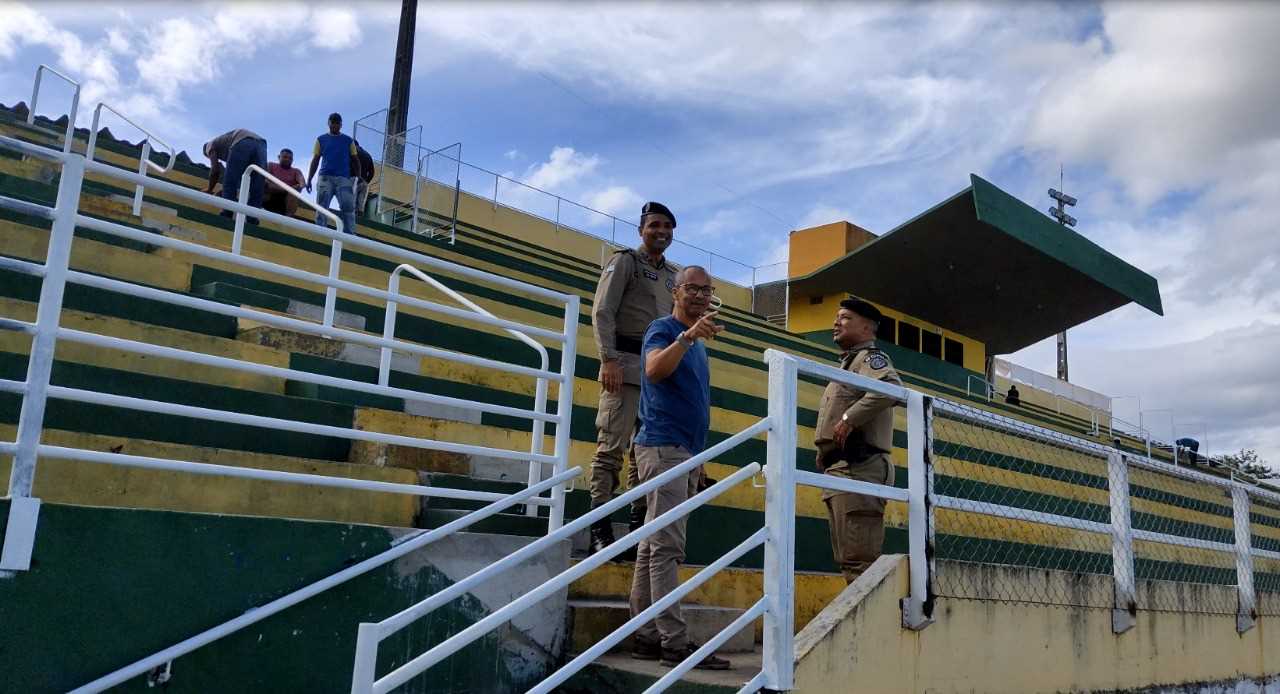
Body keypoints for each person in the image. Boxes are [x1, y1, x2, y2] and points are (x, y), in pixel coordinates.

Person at [628, 265, 730, 671]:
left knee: (652, 544)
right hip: (662, 447)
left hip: (684, 452)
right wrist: (687, 337)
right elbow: (654, 370)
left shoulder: (697, 344)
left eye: (707, 290)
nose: (701, 296)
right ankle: (674, 641)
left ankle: (645, 634)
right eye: (693, 289)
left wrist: (697, 461)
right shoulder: (664, 329)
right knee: (666, 547)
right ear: (675, 290)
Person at [587, 201, 680, 555]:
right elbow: (603, 311)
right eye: (655, 225)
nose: (661, 232)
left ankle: (638, 529)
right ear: (641, 230)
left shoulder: (673, 275)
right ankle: (599, 528)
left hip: (656, 372)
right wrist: (608, 359)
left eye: (667, 227)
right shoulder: (625, 262)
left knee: (645, 454)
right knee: (611, 448)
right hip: (624, 364)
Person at [814, 298, 902, 584]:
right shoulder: (847, 365)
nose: (836, 322)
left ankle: (870, 615)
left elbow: (890, 388)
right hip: (841, 468)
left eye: (845, 317)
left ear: (867, 328)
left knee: (859, 562)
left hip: (860, 466)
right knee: (848, 559)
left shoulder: (869, 359)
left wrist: (850, 418)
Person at [305, 113, 361, 235]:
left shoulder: (348, 141)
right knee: (322, 207)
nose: (335, 125)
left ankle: (349, 235)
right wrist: (309, 179)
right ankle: (320, 233)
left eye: (337, 123)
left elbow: (355, 160)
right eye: (333, 123)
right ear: (328, 123)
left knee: (348, 206)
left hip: (343, 179)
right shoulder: (321, 139)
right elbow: (315, 160)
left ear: (341, 125)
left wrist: (358, 177)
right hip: (325, 177)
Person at [203, 128, 267, 223]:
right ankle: (252, 216)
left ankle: (227, 211)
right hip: (262, 145)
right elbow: (240, 175)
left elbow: (215, 170)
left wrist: (209, 189)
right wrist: (224, 191)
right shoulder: (226, 147)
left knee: (229, 180)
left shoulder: (209, 146)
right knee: (257, 183)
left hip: (242, 140)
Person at [264, 148, 305, 217]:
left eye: (290, 158)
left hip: (287, 197)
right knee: (264, 184)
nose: (287, 159)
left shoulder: (296, 171)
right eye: (285, 157)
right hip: (270, 193)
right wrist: (287, 188)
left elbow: (302, 184)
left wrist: (297, 187)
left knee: (293, 193)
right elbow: (265, 180)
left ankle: (288, 218)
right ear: (279, 157)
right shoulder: (270, 165)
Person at [354, 141, 375, 215]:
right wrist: (366, 181)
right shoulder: (368, 155)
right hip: (364, 182)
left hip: (354, 180)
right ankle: (359, 213)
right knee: (360, 204)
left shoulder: (353, 152)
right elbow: (372, 172)